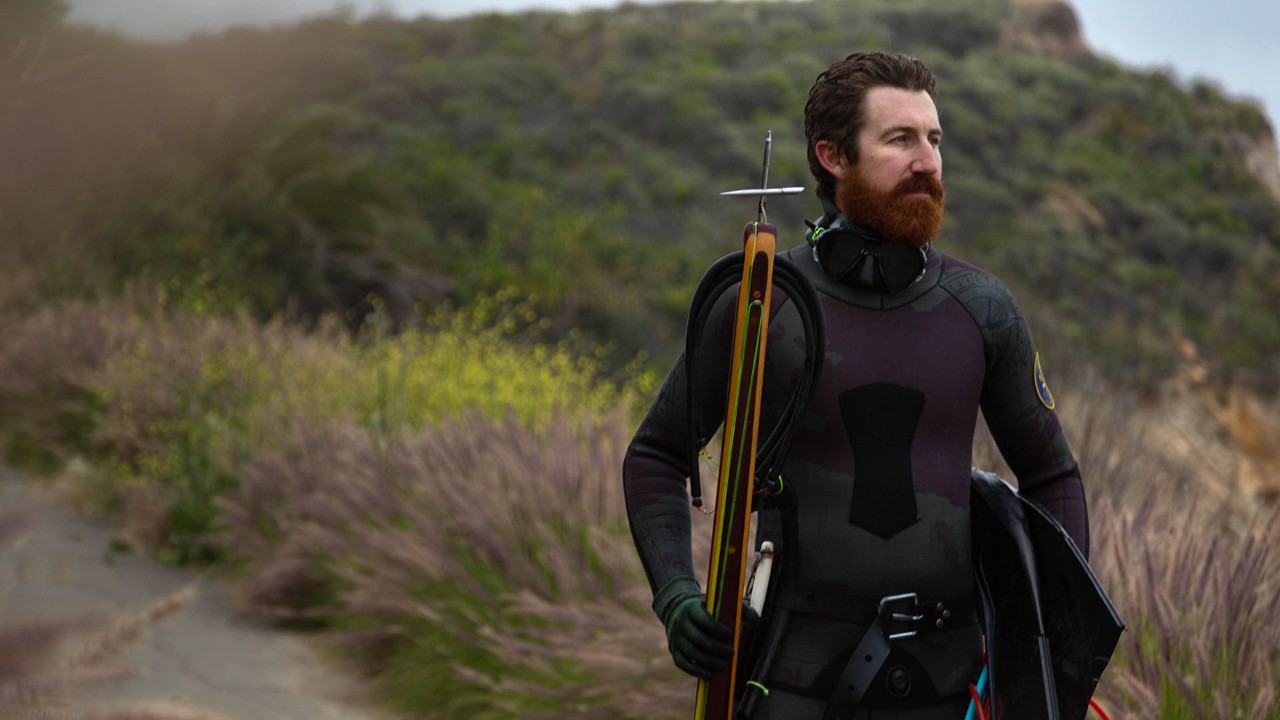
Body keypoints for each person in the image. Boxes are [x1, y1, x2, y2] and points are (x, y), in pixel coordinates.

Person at [622, 51, 1088, 719]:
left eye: (934, 140)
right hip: (788, 685)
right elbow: (657, 455)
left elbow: (1053, 477)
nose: (928, 161)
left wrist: (1052, 645)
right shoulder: (762, 303)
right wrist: (675, 595)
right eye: (900, 140)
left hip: (949, 690)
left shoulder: (980, 308)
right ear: (833, 156)